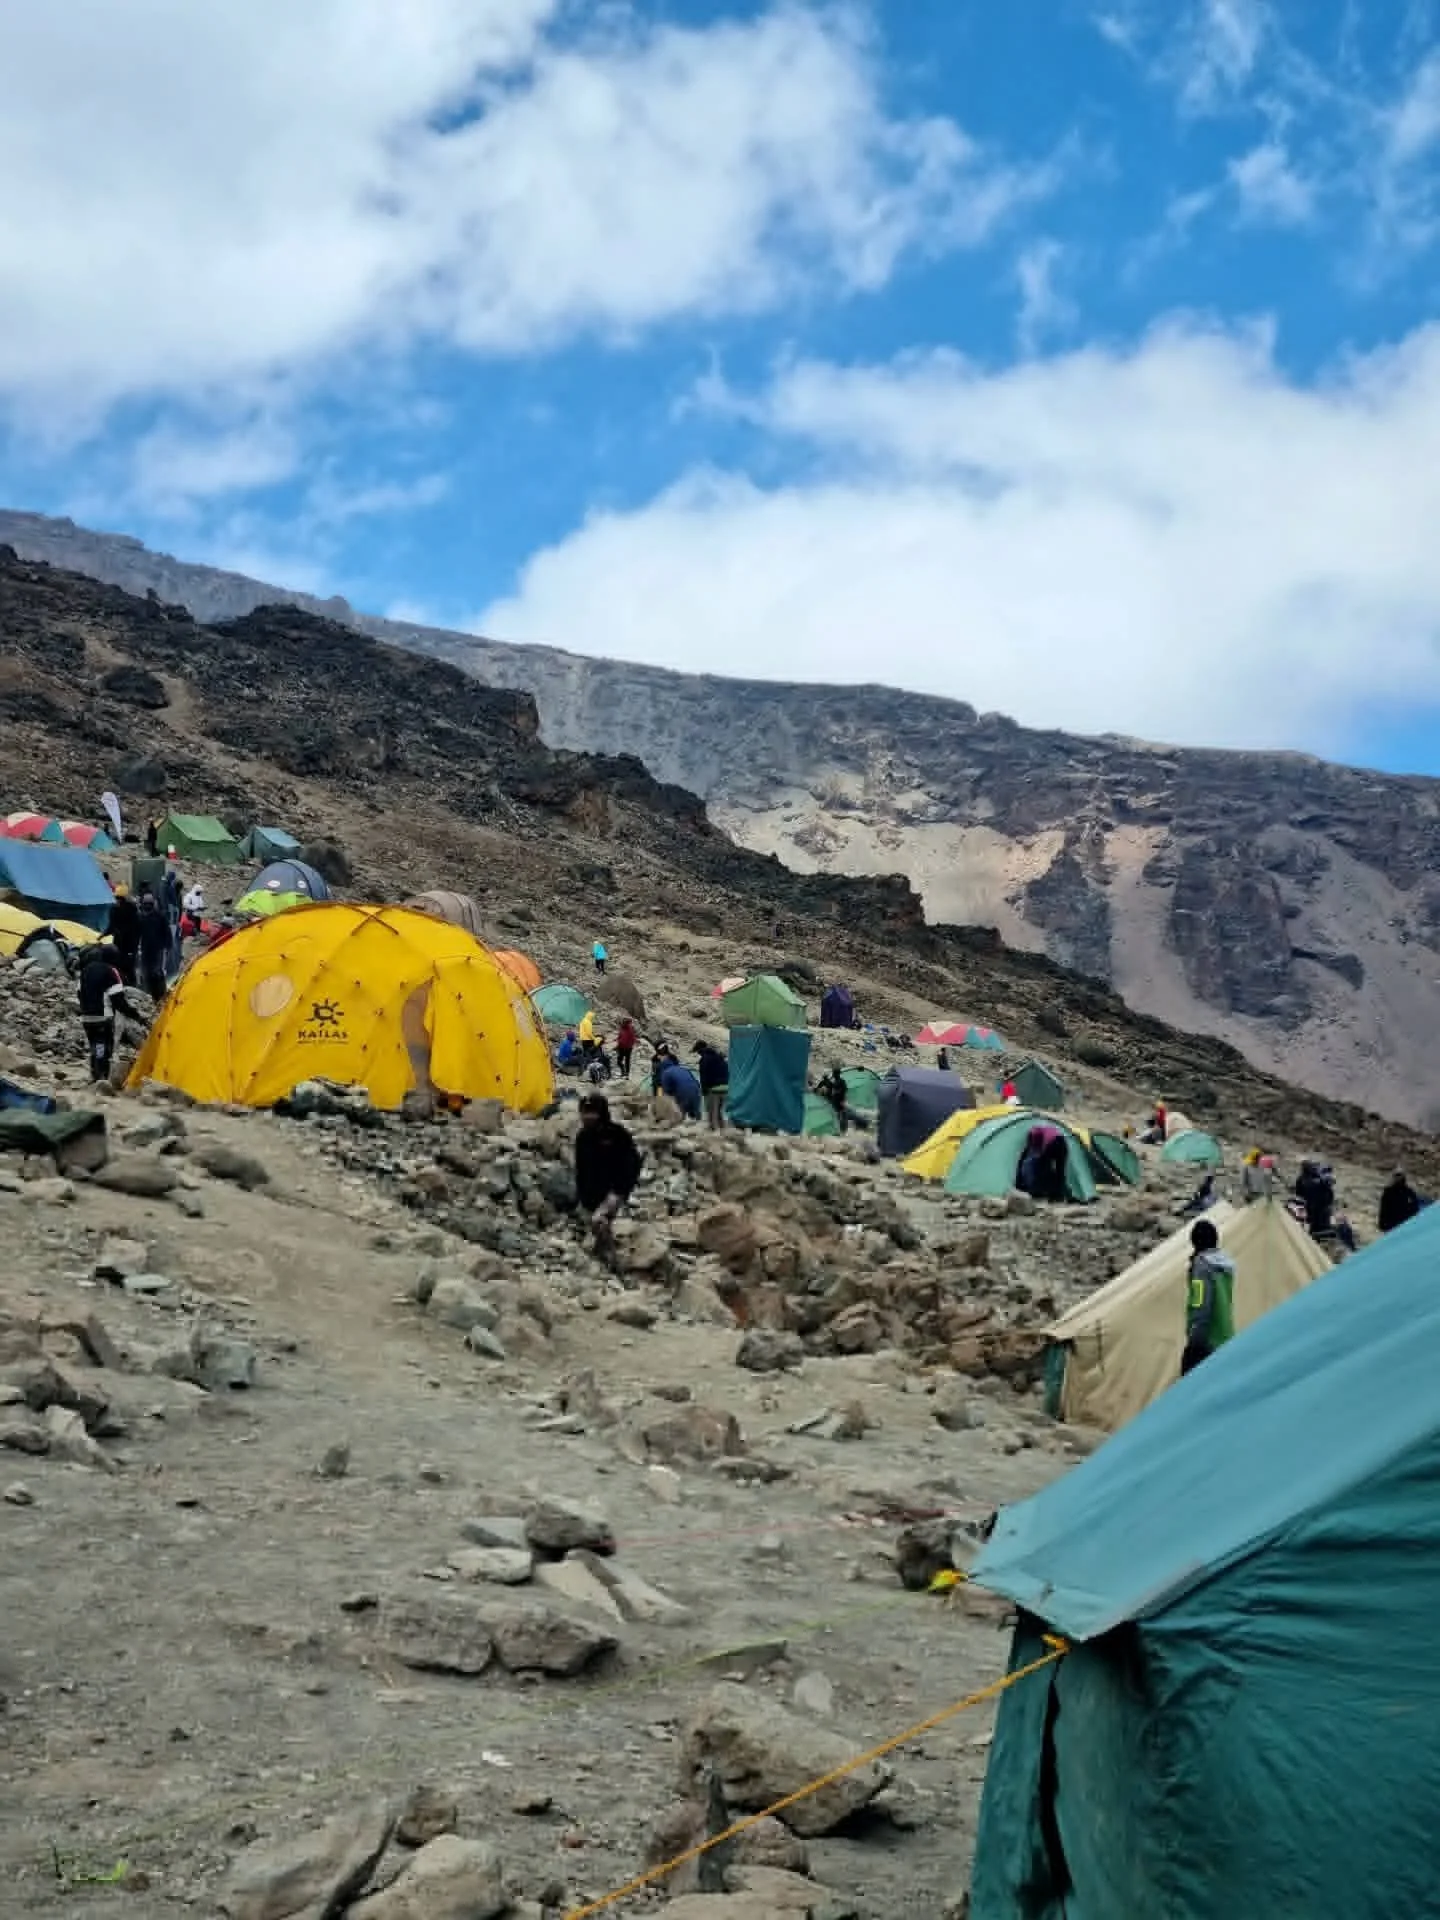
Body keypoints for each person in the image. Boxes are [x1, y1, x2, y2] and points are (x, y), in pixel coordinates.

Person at [574, 1093, 642, 1257]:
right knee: (596, 1225)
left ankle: (613, 1261)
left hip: (614, 1192)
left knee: (599, 1221)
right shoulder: (582, 1137)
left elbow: (632, 1164)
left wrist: (619, 1192)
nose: (588, 1117)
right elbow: (581, 1169)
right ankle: (603, 1254)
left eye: (592, 1112)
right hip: (591, 1195)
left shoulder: (617, 1134)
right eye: (585, 1112)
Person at [77, 944, 143, 1082]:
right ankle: (101, 1078)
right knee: (103, 1046)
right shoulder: (111, 972)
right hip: (103, 1017)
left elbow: (79, 992)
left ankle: (95, 1074)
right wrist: (137, 1016)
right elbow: (119, 1001)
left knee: (95, 1045)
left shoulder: (86, 970)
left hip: (86, 1017)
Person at [1182, 1217, 1236, 1375]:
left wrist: (1194, 1342)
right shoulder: (1225, 1264)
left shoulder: (1201, 1267)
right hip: (1225, 1335)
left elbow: (1200, 1303)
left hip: (1207, 1341)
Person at [136, 892, 171, 1000]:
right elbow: (137, 933)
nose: (147, 906)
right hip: (146, 950)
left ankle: (161, 996)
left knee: (157, 973)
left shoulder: (160, 916)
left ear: (152, 904)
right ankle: (151, 997)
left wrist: (167, 946)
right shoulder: (141, 917)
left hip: (157, 950)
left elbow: (167, 932)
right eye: (145, 904)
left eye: (149, 904)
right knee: (146, 973)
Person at [107, 883, 141, 986]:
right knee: (125, 966)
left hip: (126, 944)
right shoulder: (131, 910)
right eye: (117, 898)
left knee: (126, 967)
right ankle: (129, 984)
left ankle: (128, 985)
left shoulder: (128, 910)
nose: (117, 900)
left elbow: (112, 927)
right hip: (125, 944)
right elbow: (112, 926)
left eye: (119, 898)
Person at [694, 1041, 729, 1129]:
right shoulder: (720, 1057)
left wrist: (704, 1091)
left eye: (697, 1052)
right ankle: (724, 1130)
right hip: (726, 1088)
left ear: (700, 1050)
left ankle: (715, 1133)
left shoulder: (704, 1059)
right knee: (719, 1112)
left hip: (714, 1089)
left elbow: (704, 1076)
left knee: (712, 1113)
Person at [658, 1053, 702, 1121]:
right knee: (695, 1117)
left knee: (679, 1116)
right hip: (696, 1091)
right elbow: (696, 1082)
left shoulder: (666, 1073)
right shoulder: (683, 1069)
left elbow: (666, 1091)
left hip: (683, 1093)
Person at [1379, 1170, 1421, 1235]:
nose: (1398, 1179)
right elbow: (1384, 1209)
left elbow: (1415, 1207)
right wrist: (1382, 1224)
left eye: (1399, 1177)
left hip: (1405, 1225)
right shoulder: (1388, 1192)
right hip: (1392, 1225)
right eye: (1396, 1177)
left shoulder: (1409, 1192)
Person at [161, 850, 183, 972]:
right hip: (172, 922)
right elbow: (175, 907)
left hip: (172, 921)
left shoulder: (170, 889)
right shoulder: (170, 890)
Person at [817, 1065, 850, 1132]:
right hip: (835, 1101)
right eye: (834, 1073)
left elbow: (845, 1089)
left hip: (840, 1101)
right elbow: (830, 1090)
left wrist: (837, 1092)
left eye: (834, 1073)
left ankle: (844, 1129)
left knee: (842, 1115)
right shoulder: (834, 1082)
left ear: (837, 1074)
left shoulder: (841, 1081)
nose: (834, 1075)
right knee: (836, 1115)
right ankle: (838, 1129)